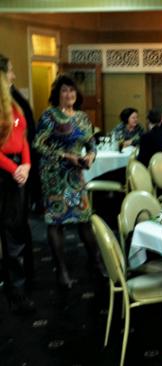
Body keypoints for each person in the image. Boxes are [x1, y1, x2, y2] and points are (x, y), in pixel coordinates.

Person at [33, 74, 103, 288]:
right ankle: (61, 271)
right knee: (56, 221)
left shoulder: (82, 116)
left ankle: (97, 261)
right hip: (53, 175)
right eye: (64, 90)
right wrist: (64, 155)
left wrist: (91, 156)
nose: (69, 94)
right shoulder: (49, 116)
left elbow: (91, 144)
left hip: (75, 176)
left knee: (84, 217)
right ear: (58, 94)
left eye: (72, 90)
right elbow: (38, 144)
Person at [0, 62, 35, 313]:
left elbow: (22, 137)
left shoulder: (12, 104)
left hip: (18, 170)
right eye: (10, 69)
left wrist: (26, 165)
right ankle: (16, 290)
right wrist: (14, 170)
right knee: (10, 233)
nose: (14, 74)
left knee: (18, 230)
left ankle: (20, 287)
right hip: (4, 173)